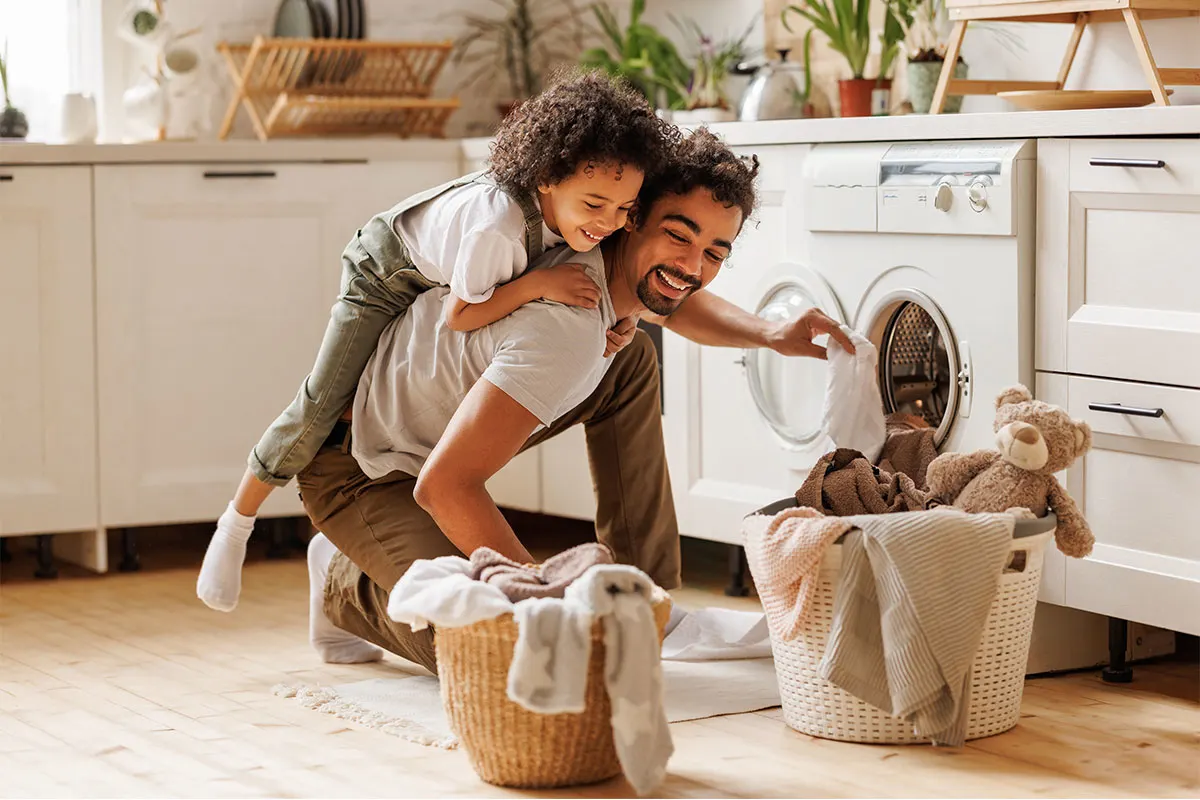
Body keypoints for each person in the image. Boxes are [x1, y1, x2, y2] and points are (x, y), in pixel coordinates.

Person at [297, 129, 854, 671]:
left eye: (714, 252)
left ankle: (643, 595)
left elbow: (673, 299)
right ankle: (343, 581)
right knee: (508, 653)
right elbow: (444, 486)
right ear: (632, 219)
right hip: (359, 468)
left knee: (630, 358)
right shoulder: (566, 327)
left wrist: (771, 333)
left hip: (429, 431)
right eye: (678, 236)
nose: (692, 266)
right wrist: (550, 602)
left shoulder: (599, 255)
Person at [196, 72, 680, 613]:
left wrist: (623, 317)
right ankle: (237, 521)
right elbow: (461, 316)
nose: (609, 223)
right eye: (595, 204)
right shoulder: (498, 230)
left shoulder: (569, 217)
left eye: (624, 210)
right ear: (547, 177)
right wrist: (538, 285)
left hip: (438, 272)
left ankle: (650, 592)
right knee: (321, 404)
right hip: (382, 271)